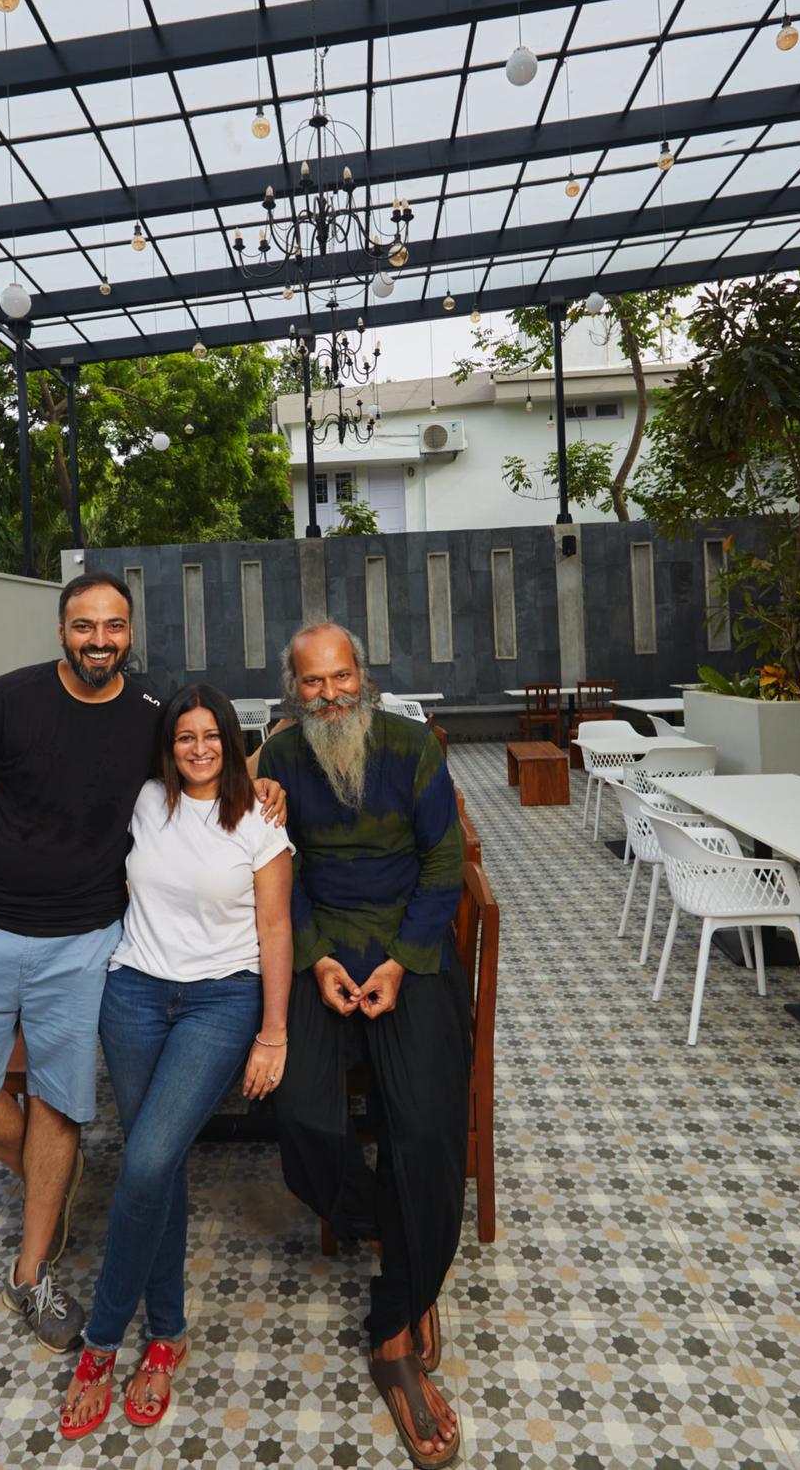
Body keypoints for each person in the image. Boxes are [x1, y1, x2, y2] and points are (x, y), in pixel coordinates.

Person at [0, 573, 286, 1355]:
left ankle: (30, 1268)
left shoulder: (148, 713)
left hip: (85, 945)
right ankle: (54, 1172)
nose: (100, 639)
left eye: (114, 625)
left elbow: (202, 751)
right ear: (61, 631)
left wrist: (262, 774)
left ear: (129, 632)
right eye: (85, 625)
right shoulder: (6, 699)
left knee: (58, 1101)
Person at [255, 622, 469, 1470]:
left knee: (425, 1128)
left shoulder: (414, 747)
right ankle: (404, 1234)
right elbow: (277, 872)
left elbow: (443, 863)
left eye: (342, 677)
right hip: (318, 948)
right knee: (302, 1120)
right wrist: (313, 962)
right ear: (292, 690)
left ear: (364, 677)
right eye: (312, 683)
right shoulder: (277, 761)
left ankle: (394, 1327)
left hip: (406, 948)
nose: (330, 694)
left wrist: (399, 963)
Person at [59, 683, 293, 1441]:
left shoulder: (259, 816)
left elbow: (276, 928)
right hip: (132, 994)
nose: (198, 748)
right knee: (159, 1165)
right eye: (184, 737)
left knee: (149, 1156)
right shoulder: (146, 798)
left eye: (211, 735)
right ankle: (167, 1334)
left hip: (221, 1001)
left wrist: (274, 1032)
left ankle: (100, 1341)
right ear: (170, 745)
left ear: (231, 737)